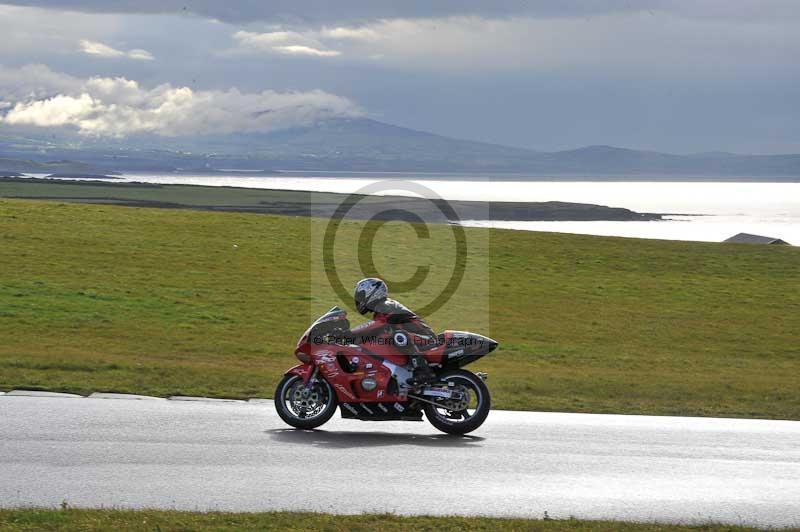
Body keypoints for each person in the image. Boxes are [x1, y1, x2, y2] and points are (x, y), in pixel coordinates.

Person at [351, 277, 437, 385]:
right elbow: (374, 331)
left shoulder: (387, 305)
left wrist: (351, 333)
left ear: (372, 293)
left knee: (399, 336)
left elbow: (375, 326)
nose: (359, 300)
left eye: (361, 296)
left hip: (426, 338)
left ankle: (424, 372)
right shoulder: (379, 310)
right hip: (414, 340)